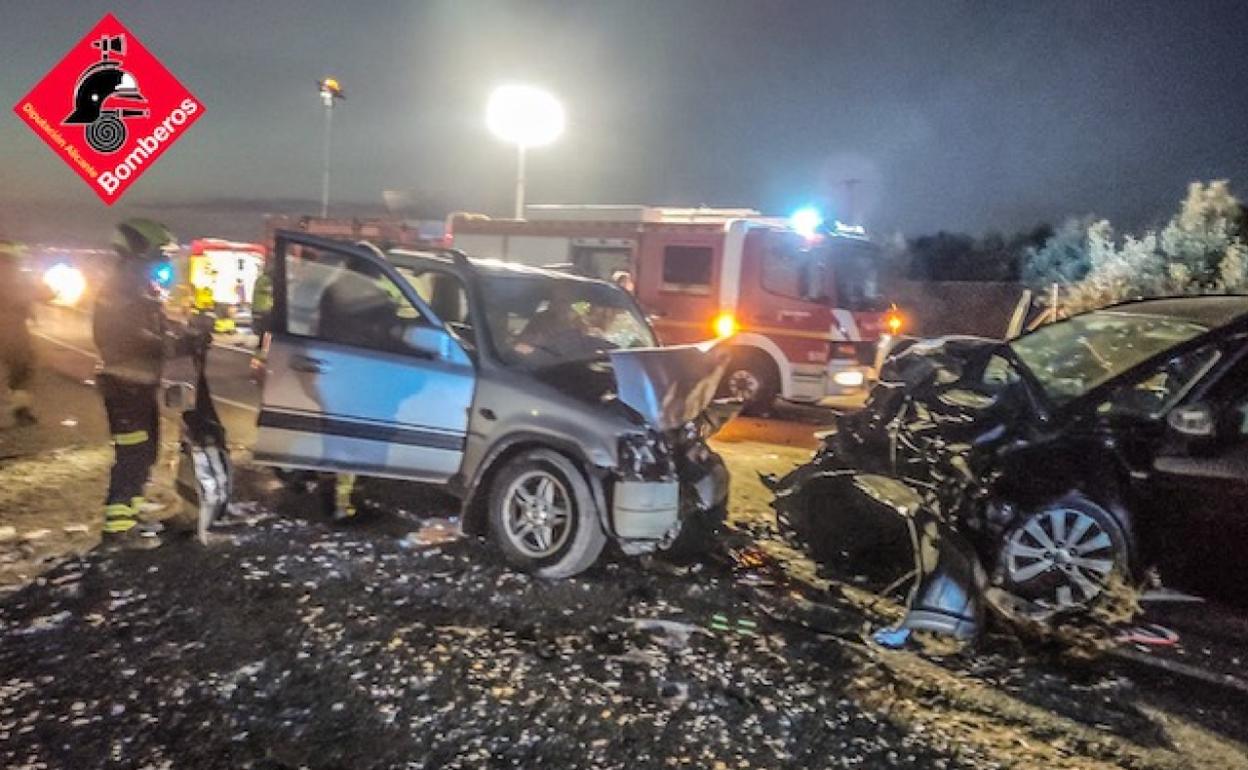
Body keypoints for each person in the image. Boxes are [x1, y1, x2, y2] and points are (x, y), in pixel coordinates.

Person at [94, 219, 209, 550]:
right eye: (160, 254)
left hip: (138, 387)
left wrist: (186, 331)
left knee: (145, 454)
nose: (165, 261)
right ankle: (116, 531)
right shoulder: (121, 289)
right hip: (125, 388)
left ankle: (128, 515)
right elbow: (130, 336)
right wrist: (176, 344)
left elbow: (155, 326)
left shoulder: (136, 288)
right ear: (139, 252)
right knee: (133, 455)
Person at [0, 241, 43, 426]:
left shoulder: (15, 280)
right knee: (18, 372)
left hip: (15, 332)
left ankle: (20, 411)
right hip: (10, 333)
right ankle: (17, 411)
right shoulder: (10, 279)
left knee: (21, 372)